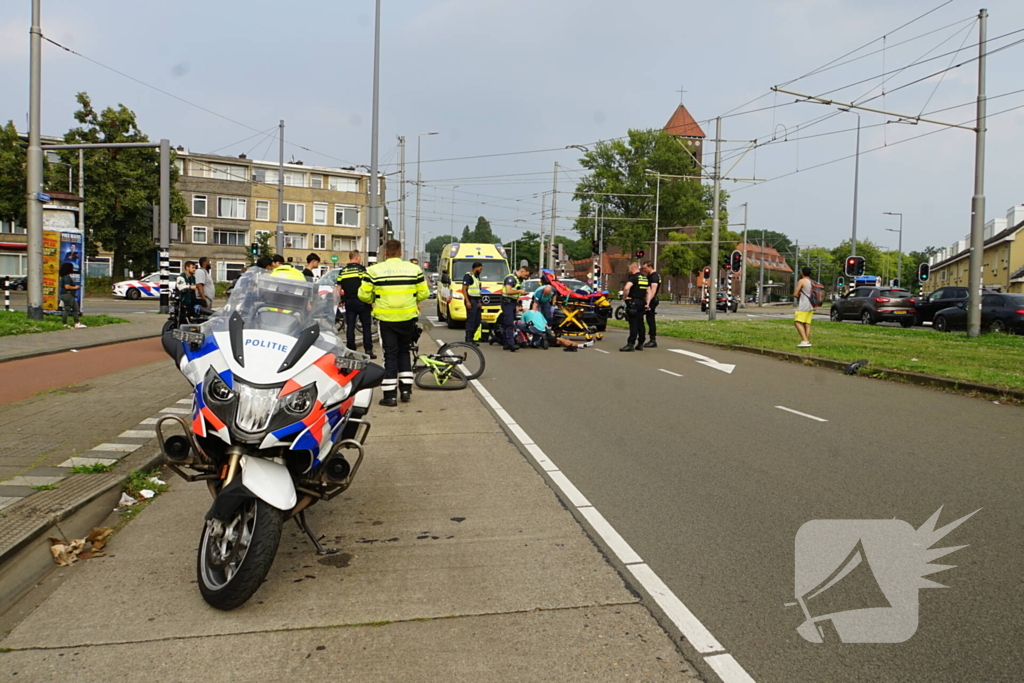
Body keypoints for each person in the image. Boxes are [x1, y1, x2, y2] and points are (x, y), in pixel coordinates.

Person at [359, 239, 429, 406]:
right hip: (408, 318)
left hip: (386, 319)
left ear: (385, 253)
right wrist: (411, 299)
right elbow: (424, 293)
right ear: (400, 252)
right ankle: (405, 390)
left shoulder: (373, 271)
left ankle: (390, 395)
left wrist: (375, 298)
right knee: (404, 352)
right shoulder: (414, 269)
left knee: (389, 355)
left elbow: (363, 295)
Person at [337, 250, 375, 358]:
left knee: (350, 327)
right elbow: (366, 286)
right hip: (362, 302)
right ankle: (368, 351)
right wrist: (371, 301)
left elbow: (338, 288)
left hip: (349, 302)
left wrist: (339, 301)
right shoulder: (361, 270)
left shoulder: (343, 271)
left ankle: (351, 351)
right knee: (366, 327)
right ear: (357, 257)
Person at [619, 262, 648, 352]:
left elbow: (627, 288)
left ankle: (630, 344)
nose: (629, 271)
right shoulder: (644, 278)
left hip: (633, 302)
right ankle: (640, 343)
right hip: (642, 302)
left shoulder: (633, 277)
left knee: (633, 324)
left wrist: (625, 297)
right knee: (641, 323)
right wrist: (647, 303)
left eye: (629, 269)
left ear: (632, 269)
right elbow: (648, 291)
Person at [500, 266, 529, 352]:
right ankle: (511, 344)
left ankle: (506, 343)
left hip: (512, 303)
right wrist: (520, 291)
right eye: (526, 275)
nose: (526, 277)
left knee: (507, 324)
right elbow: (508, 291)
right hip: (507, 303)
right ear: (522, 271)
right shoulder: (511, 278)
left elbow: (514, 293)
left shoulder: (517, 279)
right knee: (509, 324)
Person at [461, 262, 484, 345]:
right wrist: (467, 301)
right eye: (480, 269)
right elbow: (464, 289)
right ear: (476, 268)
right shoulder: (468, 276)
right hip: (471, 300)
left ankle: (472, 337)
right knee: (471, 320)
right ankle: (468, 338)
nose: (481, 271)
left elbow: (478, 291)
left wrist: (480, 301)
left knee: (477, 321)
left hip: (477, 301)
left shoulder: (476, 277)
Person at [58, 262, 85, 328]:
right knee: (67, 309)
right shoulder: (67, 277)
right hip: (67, 295)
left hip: (69, 295)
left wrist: (73, 294)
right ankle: (64, 323)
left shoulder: (64, 277)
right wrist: (76, 287)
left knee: (76, 308)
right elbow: (67, 287)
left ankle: (77, 323)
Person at [794, 266, 814, 348]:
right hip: (812, 305)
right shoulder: (812, 282)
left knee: (797, 322)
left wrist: (799, 295)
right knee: (807, 324)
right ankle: (806, 341)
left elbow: (795, 293)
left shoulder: (802, 281)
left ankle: (805, 341)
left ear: (802, 273)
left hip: (804, 305)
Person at [641, 261, 661, 348]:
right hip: (650, 300)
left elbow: (653, 290)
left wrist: (648, 302)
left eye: (645, 268)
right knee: (649, 319)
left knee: (650, 319)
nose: (644, 270)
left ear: (650, 267)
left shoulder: (654, 276)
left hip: (651, 300)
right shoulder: (652, 276)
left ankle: (653, 340)